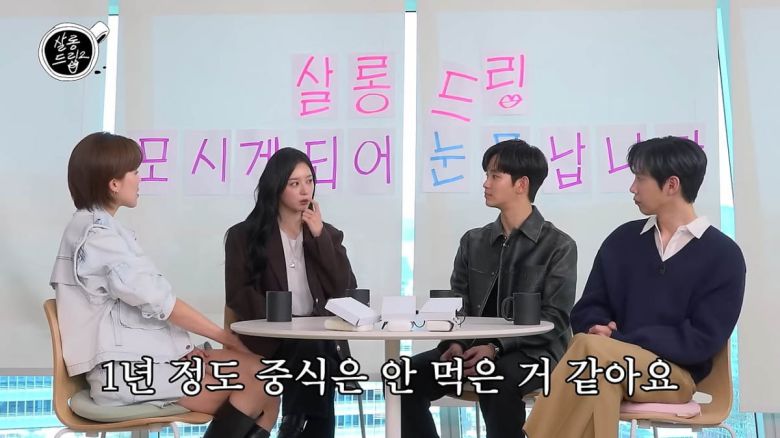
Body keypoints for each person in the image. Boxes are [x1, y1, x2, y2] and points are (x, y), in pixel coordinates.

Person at [50, 132, 278, 438]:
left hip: (144, 361)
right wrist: (225, 337)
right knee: (259, 384)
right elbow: (161, 303)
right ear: (114, 183)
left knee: (268, 376)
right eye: (134, 172)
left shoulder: (100, 229)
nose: (140, 179)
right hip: (125, 373)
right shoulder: (98, 237)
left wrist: (183, 349)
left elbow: (136, 311)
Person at [524, 136, 746, 438]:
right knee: (597, 374)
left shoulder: (723, 255)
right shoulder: (623, 240)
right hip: (608, 365)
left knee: (591, 351)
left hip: (672, 376)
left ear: (671, 185)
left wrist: (621, 340)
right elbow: (588, 309)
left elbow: (701, 339)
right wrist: (603, 334)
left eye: (640, 178)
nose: (632, 188)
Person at [401, 139, 578, 438]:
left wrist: (495, 347)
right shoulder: (473, 241)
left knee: (494, 378)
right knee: (405, 377)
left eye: (495, 176)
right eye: (487, 175)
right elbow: (457, 305)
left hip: (535, 353)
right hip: (471, 349)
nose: (486, 183)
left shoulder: (558, 246)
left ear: (521, 184)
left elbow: (555, 318)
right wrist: (455, 344)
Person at [225, 147, 357, 438]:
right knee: (316, 360)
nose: (305, 190)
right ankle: (294, 424)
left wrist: (319, 237)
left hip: (317, 341)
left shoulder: (327, 234)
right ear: (276, 187)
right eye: (294, 183)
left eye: (309, 181)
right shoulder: (243, 236)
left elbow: (344, 290)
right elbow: (238, 294)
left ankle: (293, 423)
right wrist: (280, 320)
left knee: (315, 349)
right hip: (269, 340)